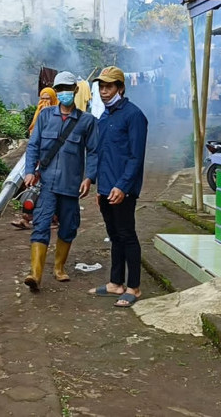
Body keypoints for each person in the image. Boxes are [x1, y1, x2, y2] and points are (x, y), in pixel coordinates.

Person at [23, 71, 98, 291]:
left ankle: (58, 268)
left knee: (69, 226)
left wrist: (89, 177)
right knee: (41, 224)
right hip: (46, 184)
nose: (64, 92)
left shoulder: (87, 121)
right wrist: (29, 171)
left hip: (71, 185)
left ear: (75, 90)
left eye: (68, 88)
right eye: (60, 89)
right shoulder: (45, 116)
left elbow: (93, 152)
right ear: (56, 92)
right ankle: (35, 274)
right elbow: (33, 145)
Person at [88, 66, 148, 308]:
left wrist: (122, 187)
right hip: (106, 189)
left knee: (127, 235)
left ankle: (134, 287)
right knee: (114, 236)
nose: (104, 91)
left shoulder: (134, 116)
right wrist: (100, 189)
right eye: (101, 87)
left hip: (124, 190)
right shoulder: (105, 116)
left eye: (109, 86)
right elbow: (102, 154)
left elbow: (136, 157)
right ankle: (115, 283)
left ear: (120, 88)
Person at [11, 87, 59, 230]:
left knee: (48, 188)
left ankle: (53, 218)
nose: (44, 102)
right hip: (37, 158)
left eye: (47, 99)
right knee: (31, 186)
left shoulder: (58, 116)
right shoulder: (40, 114)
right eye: (42, 98)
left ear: (53, 99)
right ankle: (26, 217)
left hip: (52, 159)